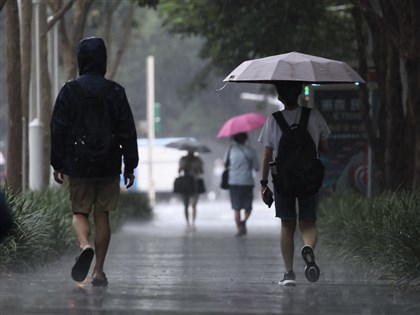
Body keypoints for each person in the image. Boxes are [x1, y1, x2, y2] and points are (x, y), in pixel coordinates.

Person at [50, 37, 139, 286]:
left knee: (79, 211)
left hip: (78, 163)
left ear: (80, 60)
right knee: (103, 215)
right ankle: (98, 271)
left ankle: (84, 244)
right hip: (108, 163)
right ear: (103, 60)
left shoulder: (69, 90)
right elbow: (127, 131)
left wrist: (57, 163)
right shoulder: (116, 92)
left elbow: (58, 128)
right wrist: (130, 165)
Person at [258, 82, 330, 286]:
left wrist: (264, 184)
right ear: (299, 94)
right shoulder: (314, 115)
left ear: (280, 97)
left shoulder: (274, 120)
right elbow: (324, 148)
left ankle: (289, 274)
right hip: (309, 178)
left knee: (287, 224)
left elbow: (267, 155)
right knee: (308, 222)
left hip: (283, 179)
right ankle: (307, 246)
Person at [224, 132, 260, 237]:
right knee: (248, 207)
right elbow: (256, 167)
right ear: (245, 139)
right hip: (247, 182)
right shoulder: (250, 151)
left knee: (236, 208)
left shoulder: (230, 150)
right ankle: (244, 222)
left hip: (233, 182)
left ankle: (239, 228)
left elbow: (225, 164)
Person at [178, 151, 204, 228]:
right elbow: (179, 170)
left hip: (195, 183)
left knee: (194, 204)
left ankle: (193, 222)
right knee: (186, 205)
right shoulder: (183, 159)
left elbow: (202, 171)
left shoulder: (198, 160)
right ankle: (187, 222)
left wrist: (196, 168)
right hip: (185, 184)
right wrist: (185, 165)